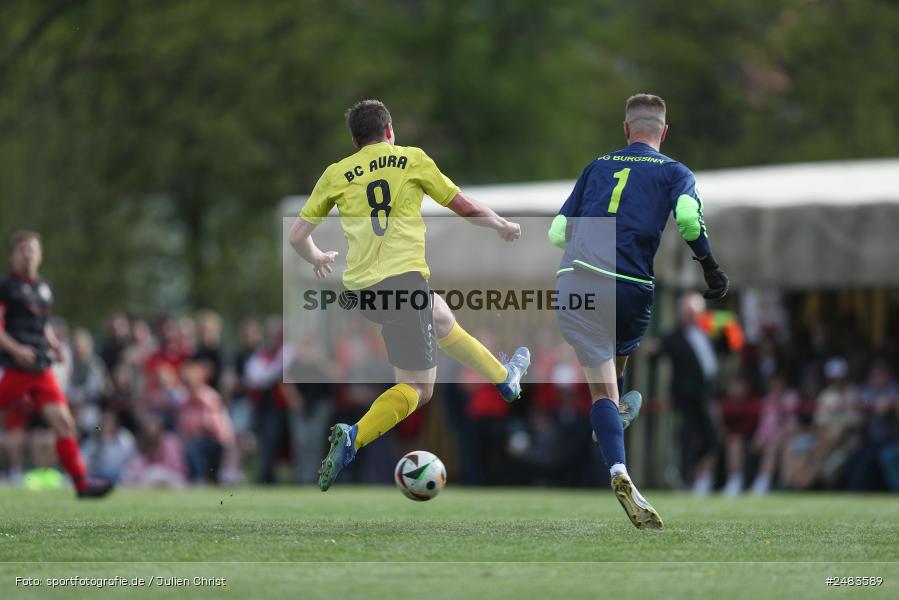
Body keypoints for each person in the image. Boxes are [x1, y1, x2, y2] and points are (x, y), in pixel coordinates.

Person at [289, 99, 531, 491]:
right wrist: (501, 225)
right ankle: (355, 437)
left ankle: (505, 378)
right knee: (419, 389)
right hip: (403, 283)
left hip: (364, 292)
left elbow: (297, 236)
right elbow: (464, 207)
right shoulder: (411, 159)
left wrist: (317, 257)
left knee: (442, 317)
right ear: (389, 131)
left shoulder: (337, 173)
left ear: (355, 141)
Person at [550, 94, 729, 528]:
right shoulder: (674, 171)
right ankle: (615, 437)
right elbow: (688, 220)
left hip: (576, 280)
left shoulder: (596, 165)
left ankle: (613, 443)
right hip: (630, 287)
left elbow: (558, 231)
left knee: (603, 390)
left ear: (626, 129)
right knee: (615, 376)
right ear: (663, 133)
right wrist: (710, 268)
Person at [0, 230, 113, 498]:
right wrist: (16, 349)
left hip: (40, 369)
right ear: (14, 255)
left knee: (64, 422)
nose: (28, 253)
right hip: (13, 367)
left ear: (40, 255)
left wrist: (54, 344)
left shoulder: (44, 289)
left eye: (33, 249)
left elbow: (42, 325)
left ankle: (82, 484)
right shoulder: (6, 286)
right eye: (23, 249)